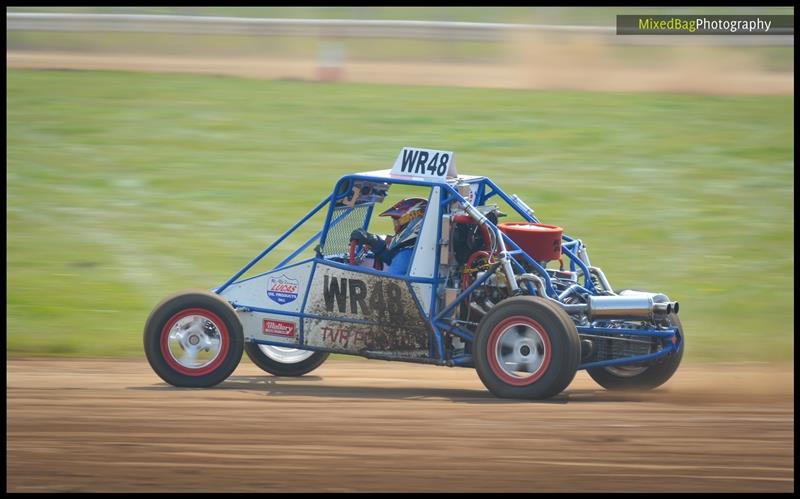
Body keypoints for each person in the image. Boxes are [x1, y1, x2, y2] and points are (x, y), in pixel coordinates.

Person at [350, 197, 428, 276]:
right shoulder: (415, 250)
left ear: (414, 223)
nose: (395, 228)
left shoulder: (406, 255)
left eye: (397, 223)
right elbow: (393, 259)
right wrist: (377, 245)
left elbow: (389, 282)